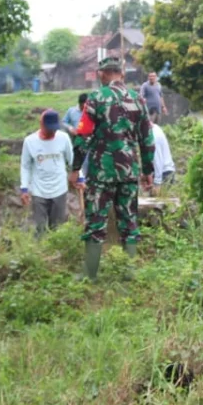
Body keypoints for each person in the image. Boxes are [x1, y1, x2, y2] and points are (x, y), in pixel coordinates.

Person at [75, 57, 154, 279]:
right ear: (122, 73)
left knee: (96, 222)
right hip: (129, 171)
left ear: (102, 74)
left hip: (102, 172)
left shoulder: (96, 98)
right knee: (129, 221)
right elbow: (147, 139)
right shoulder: (138, 99)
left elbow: (83, 136)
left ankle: (90, 274)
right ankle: (129, 272)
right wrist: (147, 170)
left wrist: (75, 168)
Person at [20, 110, 75, 237]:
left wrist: (80, 179)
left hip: (59, 189)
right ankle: (40, 254)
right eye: (49, 129)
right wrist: (24, 188)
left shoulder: (63, 137)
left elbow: (72, 159)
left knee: (58, 227)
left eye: (54, 129)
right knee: (40, 228)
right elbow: (25, 166)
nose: (52, 132)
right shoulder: (30, 141)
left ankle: (57, 254)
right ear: (41, 124)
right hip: (39, 190)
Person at [150, 109, 177, 186]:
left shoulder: (153, 136)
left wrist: (157, 183)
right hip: (164, 171)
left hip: (164, 174)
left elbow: (157, 159)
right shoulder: (155, 127)